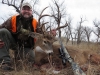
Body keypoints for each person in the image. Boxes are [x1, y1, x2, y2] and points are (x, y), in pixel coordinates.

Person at [0, 2, 56, 71]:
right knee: (3, 31)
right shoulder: (14, 19)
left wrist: (50, 34)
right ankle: (5, 63)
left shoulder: (35, 23)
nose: (26, 11)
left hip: (26, 48)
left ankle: (18, 56)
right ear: (21, 10)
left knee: (31, 61)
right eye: (24, 9)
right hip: (13, 43)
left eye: (28, 10)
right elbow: (1, 28)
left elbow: (43, 35)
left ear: (31, 11)